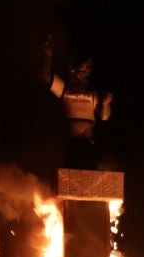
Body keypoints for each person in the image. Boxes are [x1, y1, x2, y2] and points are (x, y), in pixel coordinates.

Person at [41, 37, 113, 170]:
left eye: (85, 71)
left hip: (88, 138)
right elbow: (46, 77)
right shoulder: (65, 88)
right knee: (71, 167)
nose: (81, 74)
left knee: (90, 169)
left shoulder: (93, 92)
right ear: (72, 71)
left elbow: (104, 116)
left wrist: (107, 104)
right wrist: (48, 55)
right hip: (71, 137)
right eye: (79, 71)